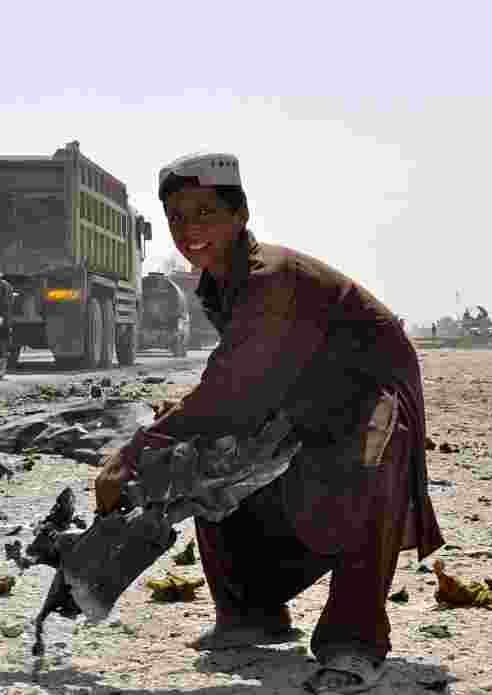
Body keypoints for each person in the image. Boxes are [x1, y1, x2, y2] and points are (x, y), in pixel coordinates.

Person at [94, 153, 443, 694]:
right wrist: (172, 436)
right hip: (302, 393)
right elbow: (238, 378)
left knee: (367, 464)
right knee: (205, 463)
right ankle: (251, 612)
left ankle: (355, 642)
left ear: (241, 214)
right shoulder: (218, 283)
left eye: (205, 213)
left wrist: (131, 454)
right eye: (177, 218)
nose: (190, 230)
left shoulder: (272, 277)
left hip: (369, 394)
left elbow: (231, 389)